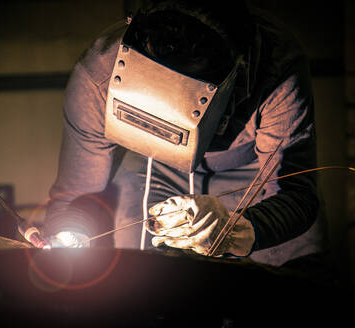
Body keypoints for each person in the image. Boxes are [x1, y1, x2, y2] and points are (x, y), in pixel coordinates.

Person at [43, 0, 329, 269]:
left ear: (236, 76)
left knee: (290, 281)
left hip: (256, 173)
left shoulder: (277, 68)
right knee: (148, 278)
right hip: (154, 169)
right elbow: (76, 193)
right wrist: (62, 234)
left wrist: (239, 231)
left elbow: (295, 193)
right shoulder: (99, 76)